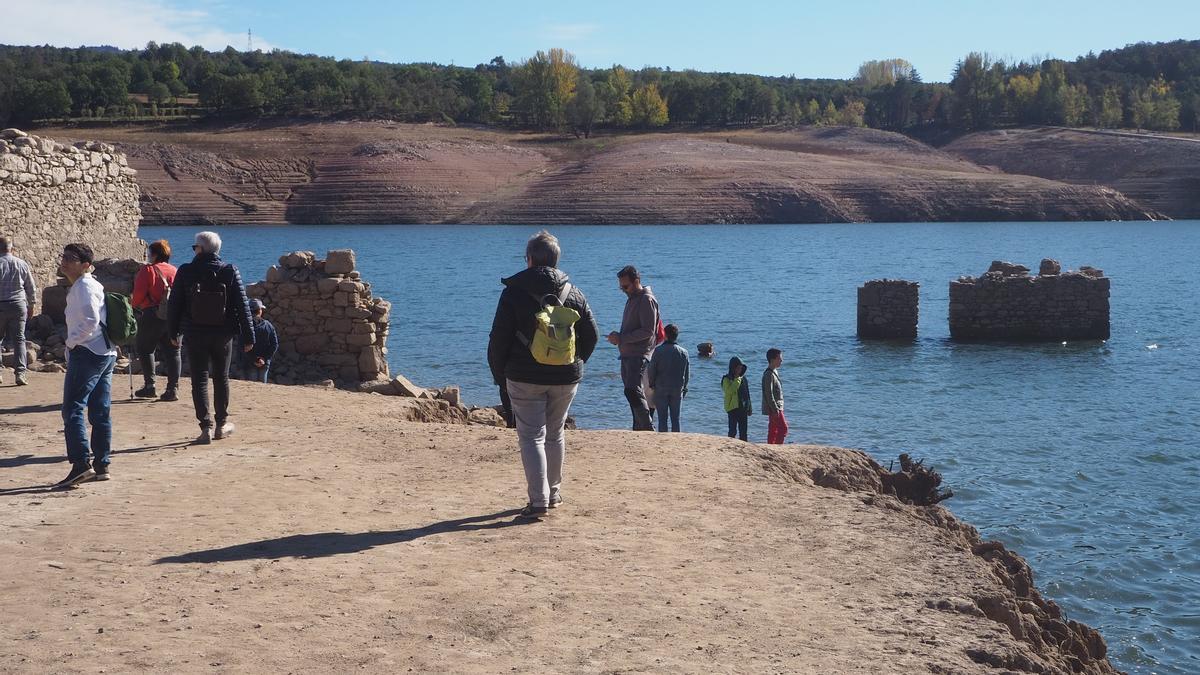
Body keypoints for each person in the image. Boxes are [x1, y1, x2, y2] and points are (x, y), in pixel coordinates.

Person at [488, 230, 599, 520]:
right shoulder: (573, 293)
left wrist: (499, 376)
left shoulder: (513, 293)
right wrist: (576, 362)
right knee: (555, 433)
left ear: (529, 260)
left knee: (531, 437)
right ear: (556, 260)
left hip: (523, 377)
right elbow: (592, 335)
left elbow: (498, 339)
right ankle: (555, 494)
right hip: (566, 377)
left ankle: (538, 501)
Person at [168, 231, 254, 445]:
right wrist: (248, 335)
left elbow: (174, 305)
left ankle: (205, 427)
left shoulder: (186, 271)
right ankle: (221, 424)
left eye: (194, 247)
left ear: (200, 249)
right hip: (223, 335)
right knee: (221, 378)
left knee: (199, 380)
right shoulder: (229, 270)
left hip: (195, 333)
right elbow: (242, 306)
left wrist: (173, 332)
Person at [54, 243, 117, 488]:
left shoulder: (84, 286)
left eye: (71, 258)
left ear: (85, 265)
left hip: (88, 352)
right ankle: (102, 464)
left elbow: (90, 320)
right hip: (104, 351)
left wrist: (71, 343)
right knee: (100, 410)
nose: (65, 261)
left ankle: (81, 464)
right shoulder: (86, 285)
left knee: (72, 408)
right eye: (64, 257)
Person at [606, 265, 659, 431]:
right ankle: (638, 427)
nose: (623, 290)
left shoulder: (646, 299)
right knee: (630, 391)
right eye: (621, 287)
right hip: (628, 353)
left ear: (636, 281)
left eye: (626, 286)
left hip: (639, 353)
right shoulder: (633, 297)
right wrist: (619, 338)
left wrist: (621, 338)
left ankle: (646, 426)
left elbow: (648, 330)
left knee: (632, 390)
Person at [131, 239, 180, 401]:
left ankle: (150, 386)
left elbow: (138, 295)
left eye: (150, 253)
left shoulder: (148, 270)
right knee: (173, 352)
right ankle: (172, 389)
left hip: (152, 314)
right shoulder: (175, 271)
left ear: (155, 255)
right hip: (174, 316)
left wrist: (135, 305)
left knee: (145, 349)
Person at [0, 236, 37, 386]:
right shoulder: (21, 264)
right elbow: (30, 286)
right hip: (18, 304)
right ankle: (20, 373)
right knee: (19, 339)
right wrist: (32, 304)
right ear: (11, 248)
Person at [647, 323, 690, 432]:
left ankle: (663, 440)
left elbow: (652, 369)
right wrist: (685, 387)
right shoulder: (684, 353)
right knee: (676, 419)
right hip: (677, 388)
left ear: (665, 335)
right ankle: (676, 440)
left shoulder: (658, 351)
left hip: (661, 387)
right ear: (677, 336)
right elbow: (687, 373)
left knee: (662, 419)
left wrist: (651, 384)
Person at [237, 299, 279, 382]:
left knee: (251, 387)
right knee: (262, 387)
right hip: (264, 362)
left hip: (249, 362)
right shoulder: (268, 325)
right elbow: (275, 344)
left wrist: (254, 359)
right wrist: (264, 358)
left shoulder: (245, 326)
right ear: (260, 310)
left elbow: (241, 345)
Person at [721, 356, 752, 441]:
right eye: (738, 368)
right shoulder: (726, 379)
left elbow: (747, 393)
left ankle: (744, 446)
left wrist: (749, 407)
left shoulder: (743, 378)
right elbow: (730, 391)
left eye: (741, 368)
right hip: (732, 408)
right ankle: (730, 444)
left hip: (743, 408)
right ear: (733, 368)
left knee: (743, 431)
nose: (739, 370)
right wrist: (737, 379)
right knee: (732, 431)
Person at [762, 348, 787, 444]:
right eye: (779, 358)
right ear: (772, 360)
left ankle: (772, 446)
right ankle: (776, 446)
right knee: (783, 428)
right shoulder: (768, 374)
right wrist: (775, 409)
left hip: (778, 405)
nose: (781, 360)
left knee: (774, 428)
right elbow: (769, 394)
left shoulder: (774, 371)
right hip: (774, 407)